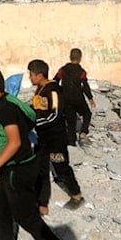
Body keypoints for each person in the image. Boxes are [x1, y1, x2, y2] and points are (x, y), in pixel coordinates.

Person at [0, 67, 73, 240]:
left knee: (26, 216)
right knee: (0, 208)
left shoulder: (6, 109)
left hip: (17, 169)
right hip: (10, 167)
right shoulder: (5, 102)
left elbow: (15, 142)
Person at [28, 59, 85, 211]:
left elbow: (55, 114)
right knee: (39, 168)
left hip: (55, 138)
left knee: (61, 168)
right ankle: (40, 201)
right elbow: (37, 108)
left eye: (31, 75)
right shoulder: (40, 89)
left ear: (40, 75)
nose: (30, 78)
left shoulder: (52, 90)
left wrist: (36, 123)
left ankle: (77, 195)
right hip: (42, 137)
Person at [54, 48, 96, 145]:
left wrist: (60, 91)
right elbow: (85, 85)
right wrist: (90, 98)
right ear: (80, 58)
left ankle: (71, 143)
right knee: (87, 114)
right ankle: (83, 132)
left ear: (70, 57)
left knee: (71, 122)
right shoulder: (81, 72)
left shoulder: (63, 70)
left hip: (66, 100)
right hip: (78, 99)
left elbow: (55, 81)